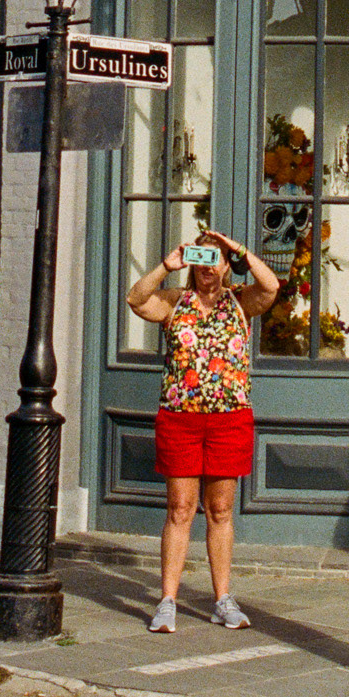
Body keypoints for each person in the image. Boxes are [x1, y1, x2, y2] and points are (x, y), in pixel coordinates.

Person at [126, 228, 279, 634]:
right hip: (181, 418)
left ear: (227, 266)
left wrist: (238, 249)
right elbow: (136, 299)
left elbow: (271, 286)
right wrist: (166, 265)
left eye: (215, 260)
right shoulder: (175, 301)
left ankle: (222, 599)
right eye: (200, 260)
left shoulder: (240, 302)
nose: (207, 269)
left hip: (229, 419)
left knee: (221, 510)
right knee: (179, 509)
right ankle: (167, 601)